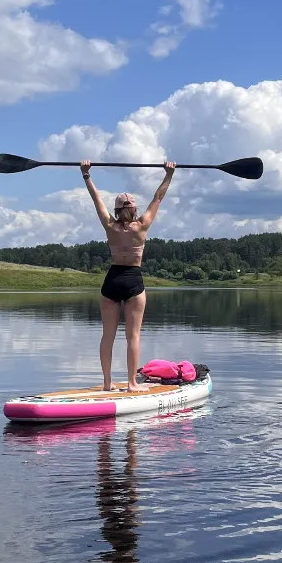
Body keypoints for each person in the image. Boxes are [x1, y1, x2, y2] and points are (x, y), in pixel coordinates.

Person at [80, 158, 176, 392]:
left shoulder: (109, 226)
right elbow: (158, 198)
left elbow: (96, 199)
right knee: (132, 336)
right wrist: (168, 175)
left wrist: (86, 175)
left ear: (117, 210)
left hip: (111, 279)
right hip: (133, 278)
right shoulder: (142, 225)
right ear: (133, 208)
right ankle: (132, 383)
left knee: (107, 336)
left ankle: (107, 383)